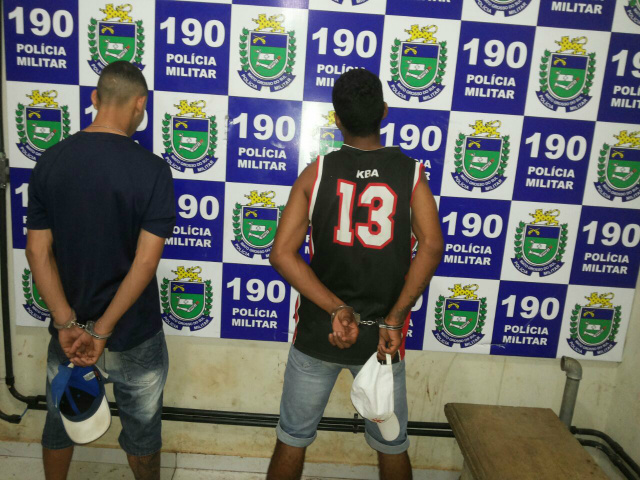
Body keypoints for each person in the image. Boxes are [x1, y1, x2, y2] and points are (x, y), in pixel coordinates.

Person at [266, 69, 444, 480]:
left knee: (292, 437)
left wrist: (336, 308)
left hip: (320, 330)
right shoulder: (410, 173)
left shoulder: (317, 173)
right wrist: (395, 318)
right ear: (384, 111)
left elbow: (281, 254)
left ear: (337, 119)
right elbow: (432, 246)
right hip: (382, 335)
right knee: (392, 442)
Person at [25, 61, 175, 480]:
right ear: (140, 105)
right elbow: (145, 262)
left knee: (60, 421)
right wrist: (103, 330)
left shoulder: (50, 161)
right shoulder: (153, 170)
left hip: (69, 333)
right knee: (142, 433)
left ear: (94, 98)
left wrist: (67, 323)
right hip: (134, 330)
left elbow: (37, 251)